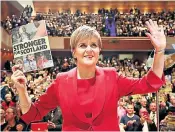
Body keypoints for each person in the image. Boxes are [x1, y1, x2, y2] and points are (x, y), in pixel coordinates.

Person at [11, 19, 166, 131]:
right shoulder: (61, 81)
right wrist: (22, 90)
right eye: (83, 45)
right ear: (74, 52)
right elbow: (33, 114)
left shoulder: (112, 76)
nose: (89, 50)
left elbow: (149, 84)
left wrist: (159, 52)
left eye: (94, 45)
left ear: (99, 51)